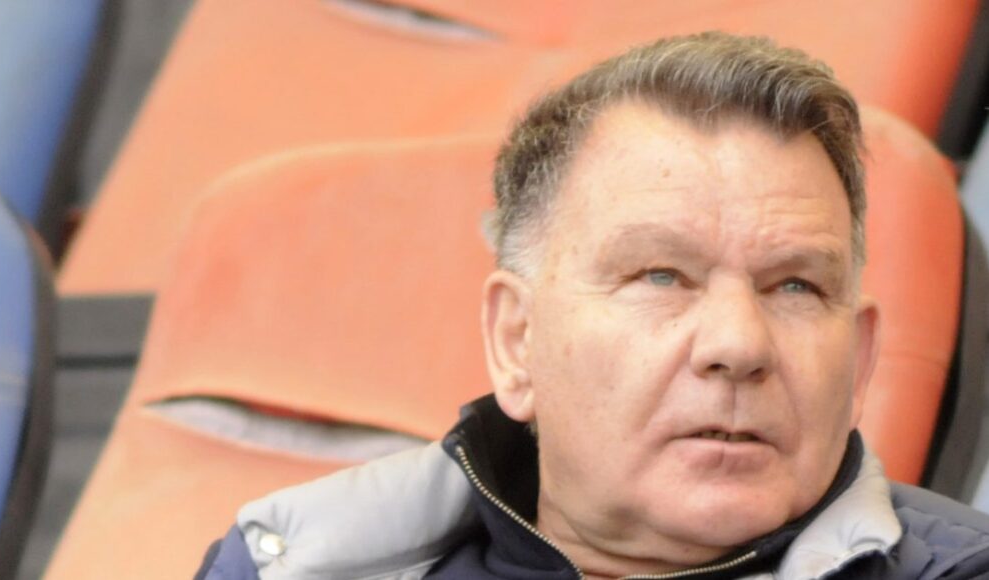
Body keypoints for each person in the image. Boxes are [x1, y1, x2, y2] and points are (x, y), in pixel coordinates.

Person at [195, 32, 989, 579]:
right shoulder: (289, 562)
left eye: (795, 287)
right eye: (661, 276)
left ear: (861, 361)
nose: (739, 343)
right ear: (517, 342)